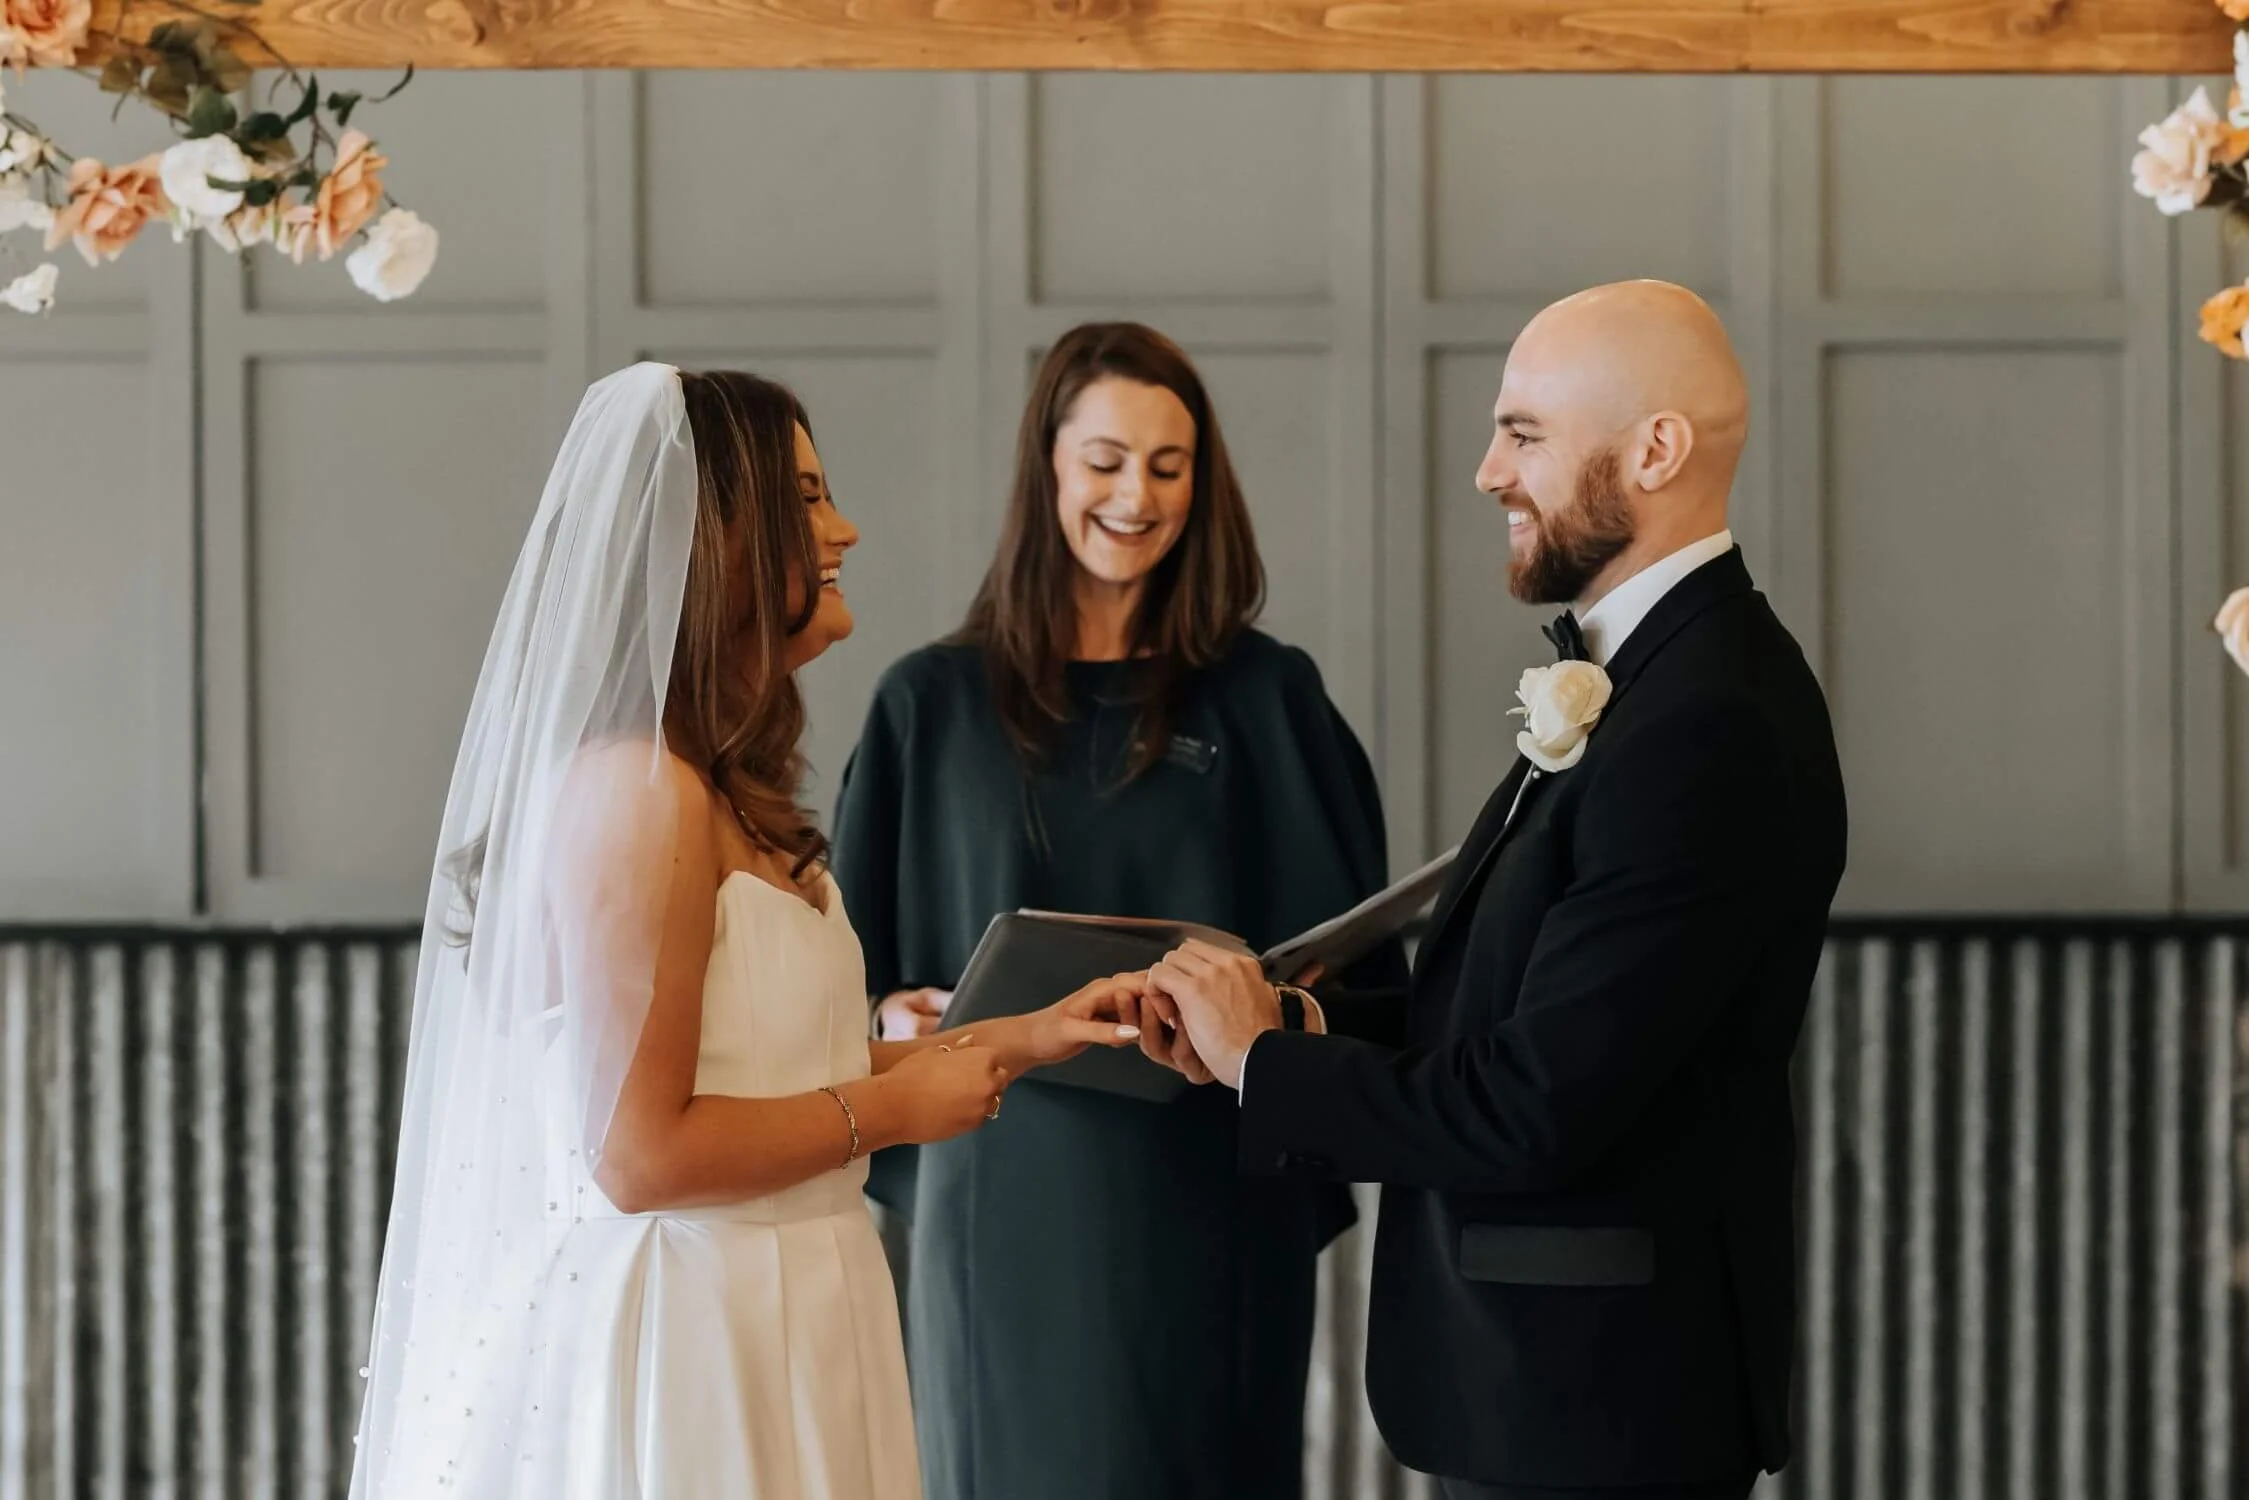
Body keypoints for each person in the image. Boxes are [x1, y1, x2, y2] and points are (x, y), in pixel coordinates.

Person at [347, 363, 1142, 1500]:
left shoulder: (712, 786)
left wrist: (1015, 1039)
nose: (845, 527)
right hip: (699, 1334)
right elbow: (639, 1154)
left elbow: (769, 1074)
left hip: (800, 1300)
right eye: (809, 498)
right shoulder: (635, 794)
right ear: (718, 538)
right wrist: (896, 1109)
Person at [1140, 282, 1849, 1500]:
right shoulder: (1652, 681)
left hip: (1598, 1408)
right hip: (1548, 1396)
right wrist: (1285, 1027)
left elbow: (1536, 1105)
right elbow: (1518, 1016)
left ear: (1655, 449)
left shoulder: (1708, 719)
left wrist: (1268, 1065)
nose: (1484, 471)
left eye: (1522, 433)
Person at [830, 322, 1406, 1500]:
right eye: (1103, 460)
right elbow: (846, 985)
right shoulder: (925, 708)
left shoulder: (1269, 700)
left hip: (1206, 1209)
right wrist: (890, 1014)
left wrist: (1263, 1015)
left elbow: (1363, 988)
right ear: (1046, 465)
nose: (1134, 497)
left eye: (1167, 464)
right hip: (994, 1209)